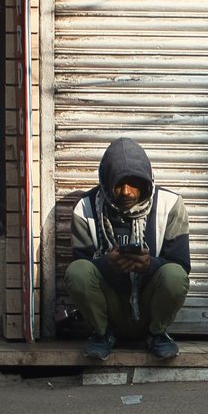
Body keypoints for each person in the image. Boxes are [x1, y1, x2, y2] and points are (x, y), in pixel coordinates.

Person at [67, 137, 191, 361]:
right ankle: (102, 334)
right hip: (108, 309)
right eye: (118, 183)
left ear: (147, 182)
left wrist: (150, 265)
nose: (126, 191)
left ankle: (157, 335)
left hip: (149, 305)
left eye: (134, 182)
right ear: (105, 182)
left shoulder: (170, 204)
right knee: (78, 272)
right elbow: (81, 265)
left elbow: (181, 267)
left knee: (174, 275)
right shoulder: (85, 208)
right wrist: (107, 264)